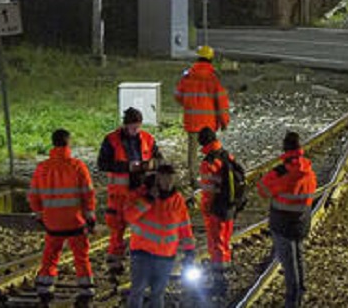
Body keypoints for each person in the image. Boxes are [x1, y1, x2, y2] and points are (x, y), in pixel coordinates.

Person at [28, 129, 96, 307]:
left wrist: (40, 214)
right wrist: (90, 216)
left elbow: (33, 196)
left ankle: (44, 289)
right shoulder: (77, 166)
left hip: (52, 222)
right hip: (75, 221)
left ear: (53, 143)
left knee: (50, 255)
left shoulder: (42, 168)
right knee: (81, 256)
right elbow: (88, 194)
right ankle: (85, 291)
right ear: (68, 143)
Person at [98, 107, 163, 276]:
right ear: (125, 125)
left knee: (143, 230)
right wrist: (127, 167)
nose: (136, 130)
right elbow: (102, 164)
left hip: (139, 192)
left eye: (138, 127)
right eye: (133, 127)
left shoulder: (148, 139)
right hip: (119, 195)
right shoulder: (111, 140)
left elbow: (160, 160)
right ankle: (115, 265)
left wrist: (151, 165)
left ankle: (142, 263)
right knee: (117, 230)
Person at [258, 132, 317, 308]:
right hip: (302, 221)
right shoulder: (308, 170)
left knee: (289, 263)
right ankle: (301, 293)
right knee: (298, 258)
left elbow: (263, 190)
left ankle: (293, 300)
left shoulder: (280, 173)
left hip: (282, 223)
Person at [124, 165, 196, 308]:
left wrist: (189, 250)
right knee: (137, 292)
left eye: (171, 179)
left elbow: (184, 227)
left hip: (165, 257)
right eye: (165, 178)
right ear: (158, 178)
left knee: (157, 294)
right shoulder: (142, 194)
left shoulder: (177, 200)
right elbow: (129, 216)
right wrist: (148, 200)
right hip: (142, 253)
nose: (168, 183)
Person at [197, 127, 242, 303]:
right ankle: (224, 279)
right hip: (229, 207)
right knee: (224, 243)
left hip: (216, 209)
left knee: (216, 246)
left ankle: (219, 283)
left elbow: (208, 192)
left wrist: (206, 209)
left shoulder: (209, 163)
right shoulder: (226, 155)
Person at [176, 45, 231, 186]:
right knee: (212, 151)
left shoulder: (188, 75)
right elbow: (221, 101)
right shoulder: (214, 77)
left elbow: (178, 96)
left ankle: (193, 179)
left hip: (192, 121)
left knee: (192, 152)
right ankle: (212, 176)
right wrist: (224, 121)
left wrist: (189, 105)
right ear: (211, 59)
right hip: (209, 123)